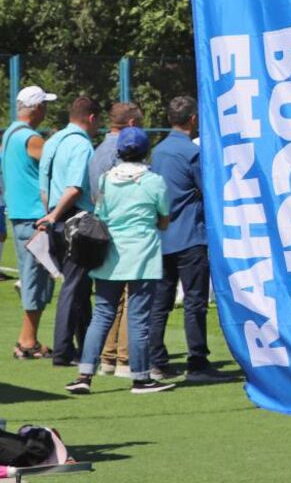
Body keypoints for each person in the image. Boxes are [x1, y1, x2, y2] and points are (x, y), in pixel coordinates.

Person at [64, 126, 175, 394]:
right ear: (145, 151)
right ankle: (140, 378)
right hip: (143, 255)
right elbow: (163, 218)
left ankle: (84, 376)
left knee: (102, 314)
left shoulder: (105, 180)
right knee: (138, 318)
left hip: (110, 255)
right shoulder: (154, 181)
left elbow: (100, 212)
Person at [148, 96, 224, 383]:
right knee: (194, 301)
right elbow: (208, 189)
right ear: (192, 119)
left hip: (163, 237)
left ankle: (157, 360)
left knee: (161, 302)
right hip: (190, 236)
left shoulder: (159, 151)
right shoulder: (192, 153)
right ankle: (197, 361)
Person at [38, 96, 100, 367]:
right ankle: (63, 351)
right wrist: (57, 214)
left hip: (54, 216)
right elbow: (75, 187)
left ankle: (84, 345)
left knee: (78, 284)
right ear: (91, 118)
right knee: (74, 286)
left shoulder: (52, 141)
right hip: (73, 217)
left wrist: (50, 214)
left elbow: (44, 186)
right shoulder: (82, 144)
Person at [87, 103, 143, 378]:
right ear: (132, 123)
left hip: (102, 228)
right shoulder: (123, 152)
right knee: (130, 296)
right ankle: (124, 359)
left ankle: (108, 358)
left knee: (109, 300)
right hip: (125, 231)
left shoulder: (98, 150)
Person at [3, 86, 54, 359]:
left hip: (20, 214)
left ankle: (29, 339)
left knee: (34, 276)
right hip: (35, 217)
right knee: (36, 278)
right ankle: (27, 341)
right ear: (36, 108)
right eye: (44, 105)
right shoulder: (31, 138)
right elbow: (53, 162)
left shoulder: (10, 133)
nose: (46, 110)